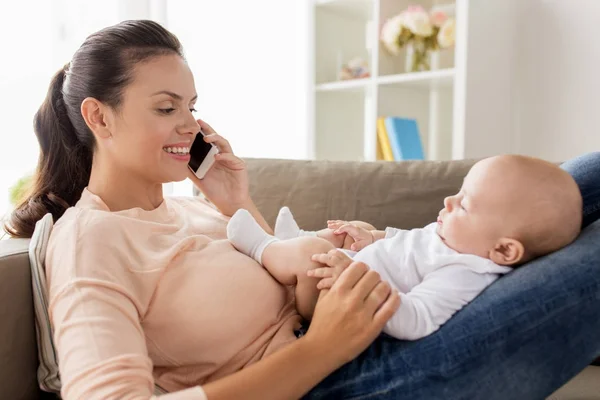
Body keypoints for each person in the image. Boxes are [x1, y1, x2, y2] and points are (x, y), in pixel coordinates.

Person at [4, 19, 599, 400]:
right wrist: (323, 349)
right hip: (344, 378)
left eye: (192, 106)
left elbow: (284, 281)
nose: (189, 126)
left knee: (569, 185)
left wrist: (237, 203)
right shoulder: (92, 242)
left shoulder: (193, 211)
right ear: (98, 117)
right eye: (166, 109)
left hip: (363, 336)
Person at [225, 155, 583, 339]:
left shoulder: (465, 273)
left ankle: (263, 247)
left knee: (310, 257)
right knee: (358, 228)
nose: (448, 200)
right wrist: (374, 238)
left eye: (465, 204)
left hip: (332, 307)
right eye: (457, 190)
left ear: (504, 252)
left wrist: (352, 278)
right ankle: (296, 238)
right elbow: (413, 242)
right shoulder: (459, 240)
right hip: (355, 269)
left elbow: (416, 320)